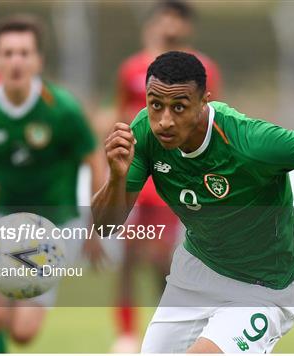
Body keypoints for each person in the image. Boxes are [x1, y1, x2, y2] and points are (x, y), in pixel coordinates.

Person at [92, 51, 294, 353]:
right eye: (155, 105)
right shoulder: (144, 134)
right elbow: (106, 226)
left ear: (203, 102)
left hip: (264, 288)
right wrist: (117, 177)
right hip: (196, 272)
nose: (165, 120)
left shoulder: (250, 142)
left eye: (179, 106)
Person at [0, 15, 105, 352]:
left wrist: (97, 225)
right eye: (7, 53)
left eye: (24, 52)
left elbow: (96, 164)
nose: (16, 61)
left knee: (22, 333)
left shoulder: (62, 110)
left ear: (39, 60)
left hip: (54, 224)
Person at [112, 1, 221, 350]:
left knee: (161, 256)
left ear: (186, 26)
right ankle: (126, 333)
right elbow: (120, 119)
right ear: (156, 23)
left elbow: (213, 120)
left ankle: (170, 318)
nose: (170, 23)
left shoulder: (203, 68)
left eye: (178, 17)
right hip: (138, 171)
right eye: (165, 16)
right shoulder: (132, 67)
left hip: (174, 174)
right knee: (128, 254)